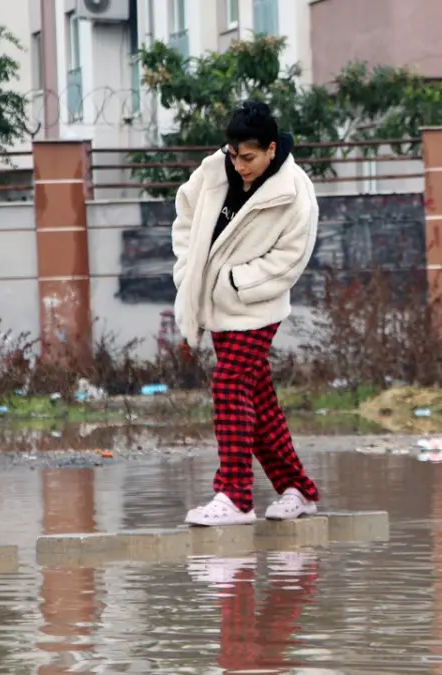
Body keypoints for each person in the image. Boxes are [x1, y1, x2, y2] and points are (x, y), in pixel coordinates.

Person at [172, 99, 321, 525]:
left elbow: (291, 259)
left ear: (272, 149)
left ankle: (235, 496)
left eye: (249, 157)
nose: (239, 165)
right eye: (235, 154)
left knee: (229, 384)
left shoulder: (294, 192)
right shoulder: (215, 169)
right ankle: (299, 490)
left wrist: (236, 282)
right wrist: (188, 268)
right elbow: (185, 212)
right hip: (215, 301)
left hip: (257, 307)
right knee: (258, 399)